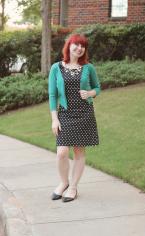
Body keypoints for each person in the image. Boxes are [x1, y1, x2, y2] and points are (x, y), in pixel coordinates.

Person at [48, 33, 101, 202]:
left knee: (79, 151)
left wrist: (90, 93)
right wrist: (54, 119)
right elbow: (52, 95)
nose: (79, 48)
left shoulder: (88, 67)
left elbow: (98, 88)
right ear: (69, 46)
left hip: (84, 113)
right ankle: (64, 183)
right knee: (62, 152)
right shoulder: (57, 67)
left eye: (83, 46)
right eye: (76, 45)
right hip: (65, 114)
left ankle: (73, 187)